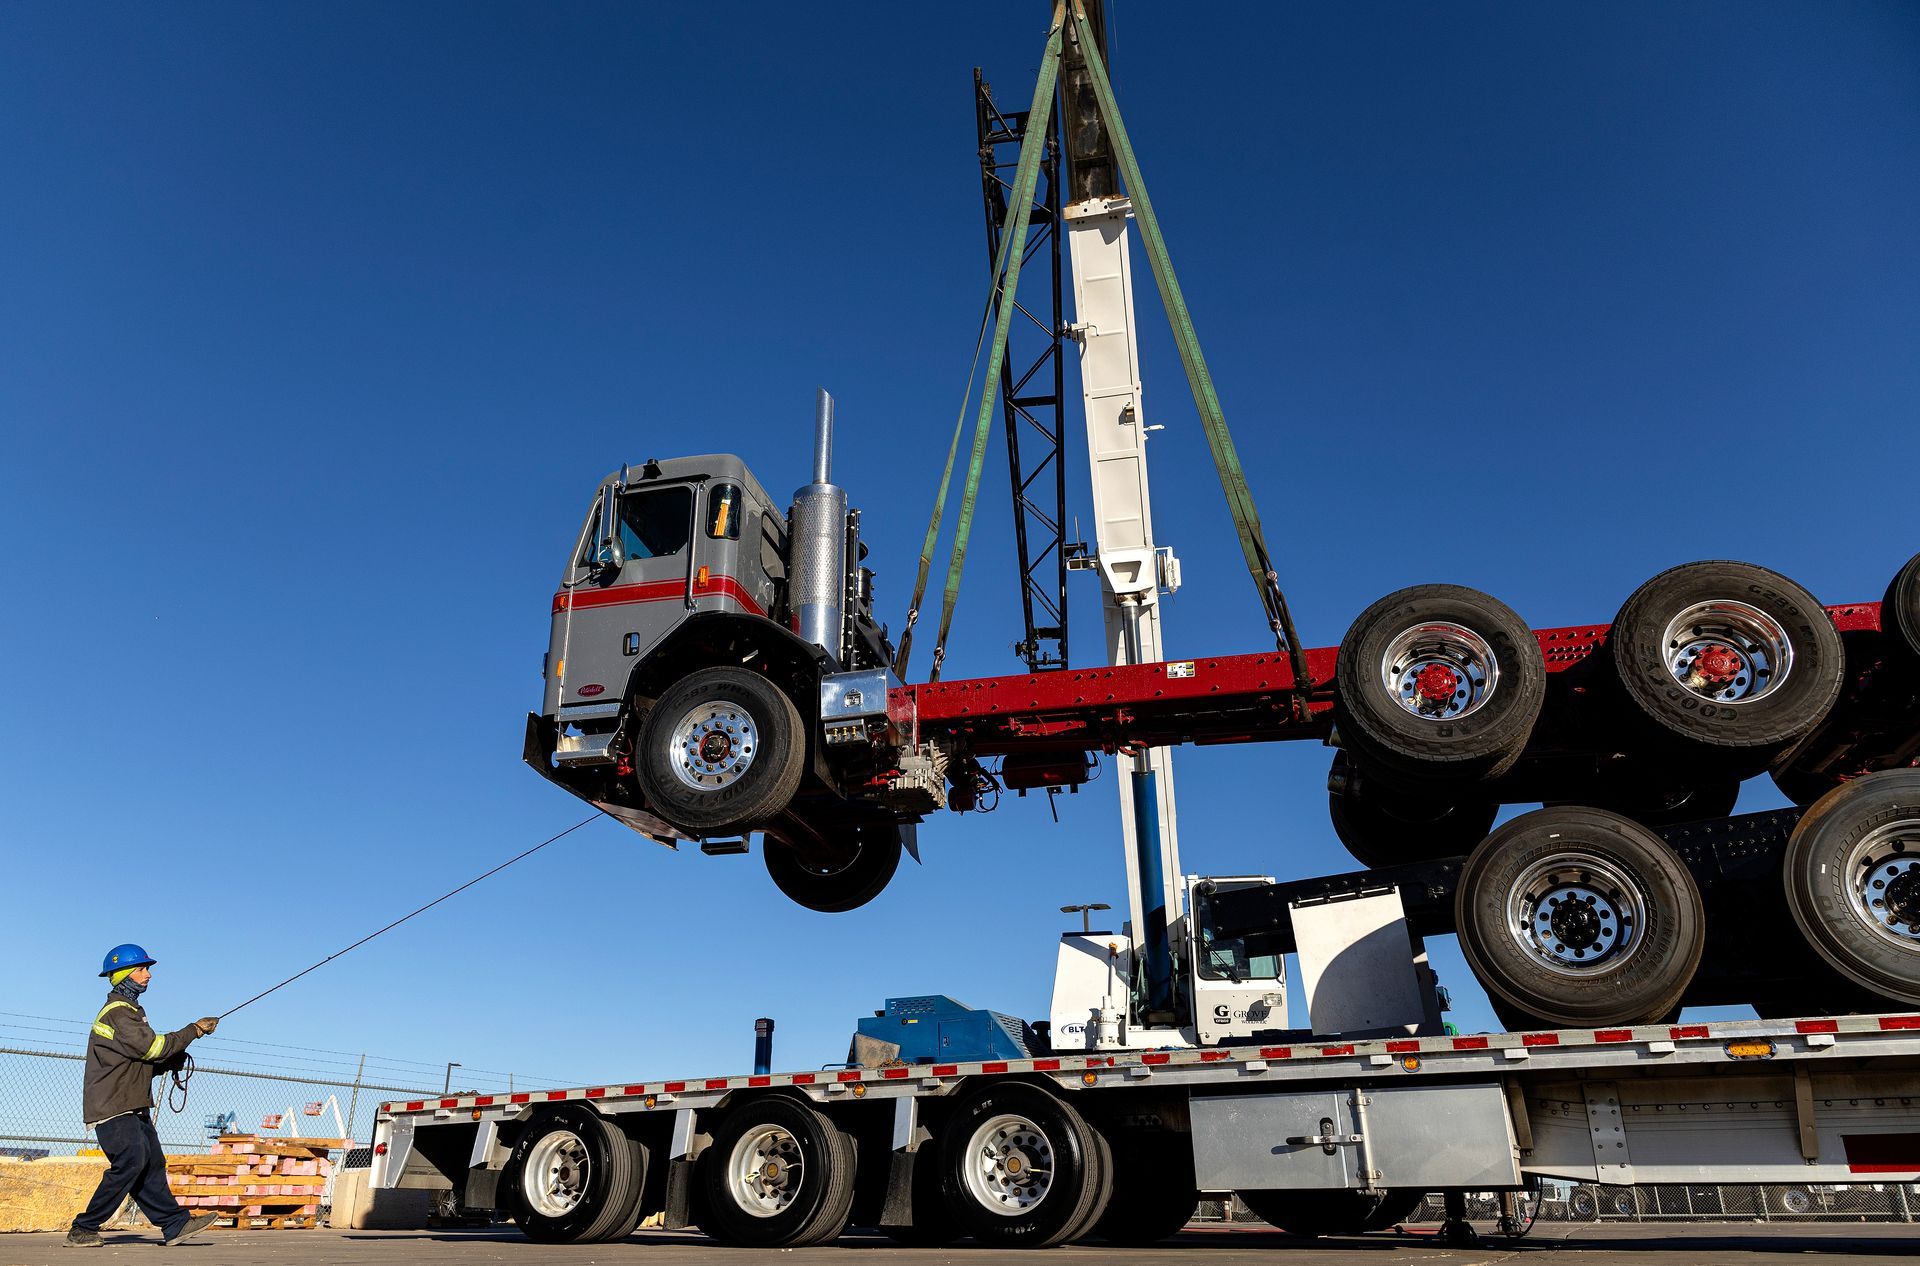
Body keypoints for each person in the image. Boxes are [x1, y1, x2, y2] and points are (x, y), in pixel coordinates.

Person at [66, 944, 223, 1248]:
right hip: (113, 1107)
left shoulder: (132, 1012)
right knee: (131, 1161)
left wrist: (170, 1062)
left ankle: (174, 1224)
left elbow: (142, 1061)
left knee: (150, 1162)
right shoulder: (119, 1013)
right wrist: (194, 1030)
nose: (148, 975)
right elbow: (152, 1048)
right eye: (142, 969)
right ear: (124, 975)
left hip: (131, 1104)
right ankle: (83, 1228)